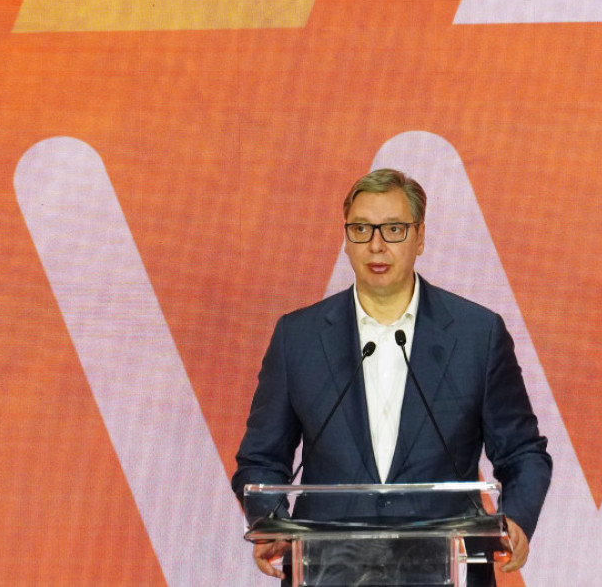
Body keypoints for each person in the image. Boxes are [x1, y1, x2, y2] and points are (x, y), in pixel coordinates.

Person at [232, 168, 552, 585]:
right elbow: (261, 459)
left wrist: (517, 519)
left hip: (446, 570)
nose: (376, 245)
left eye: (394, 229)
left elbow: (523, 452)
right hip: (328, 571)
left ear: (420, 238)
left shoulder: (477, 335)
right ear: (346, 240)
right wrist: (271, 522)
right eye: (361, 229)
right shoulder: (298, 338)